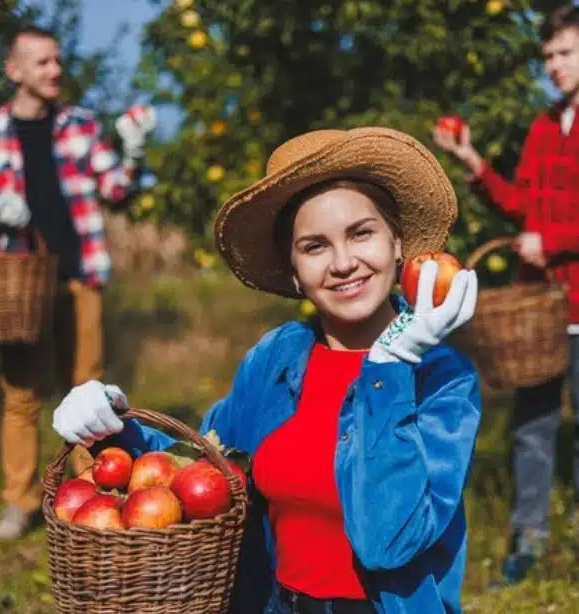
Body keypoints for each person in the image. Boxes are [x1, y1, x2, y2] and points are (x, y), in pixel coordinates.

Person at [51, 127, 482, 613]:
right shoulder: (278, 358)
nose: (344, 263)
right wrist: (113, 425)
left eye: (361, 233)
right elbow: (203, 461)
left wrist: (390, 366)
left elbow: (390, 542)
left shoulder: (442, 378)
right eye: (315, 246)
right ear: (295, 271)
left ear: (398, 243)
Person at [432, 3, 579, 584]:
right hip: (539, 312)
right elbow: (522, 208)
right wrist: (472, 162)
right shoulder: (542, 125)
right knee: (531, 429)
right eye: (548, 57)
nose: (554, 66)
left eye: (564, 53)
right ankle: (527, 544)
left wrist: (553, 241)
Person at [0, 25, 157, 541]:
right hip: (22, 288)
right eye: (42, 63)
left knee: (88, 392)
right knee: (21, 394)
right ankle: (18, 502)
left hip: (79, 273)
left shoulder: (81, 127)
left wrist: (132, 152)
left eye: (58, 61)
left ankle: (92, 495)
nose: (55, 71)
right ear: (14, 70)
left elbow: (115, 191)